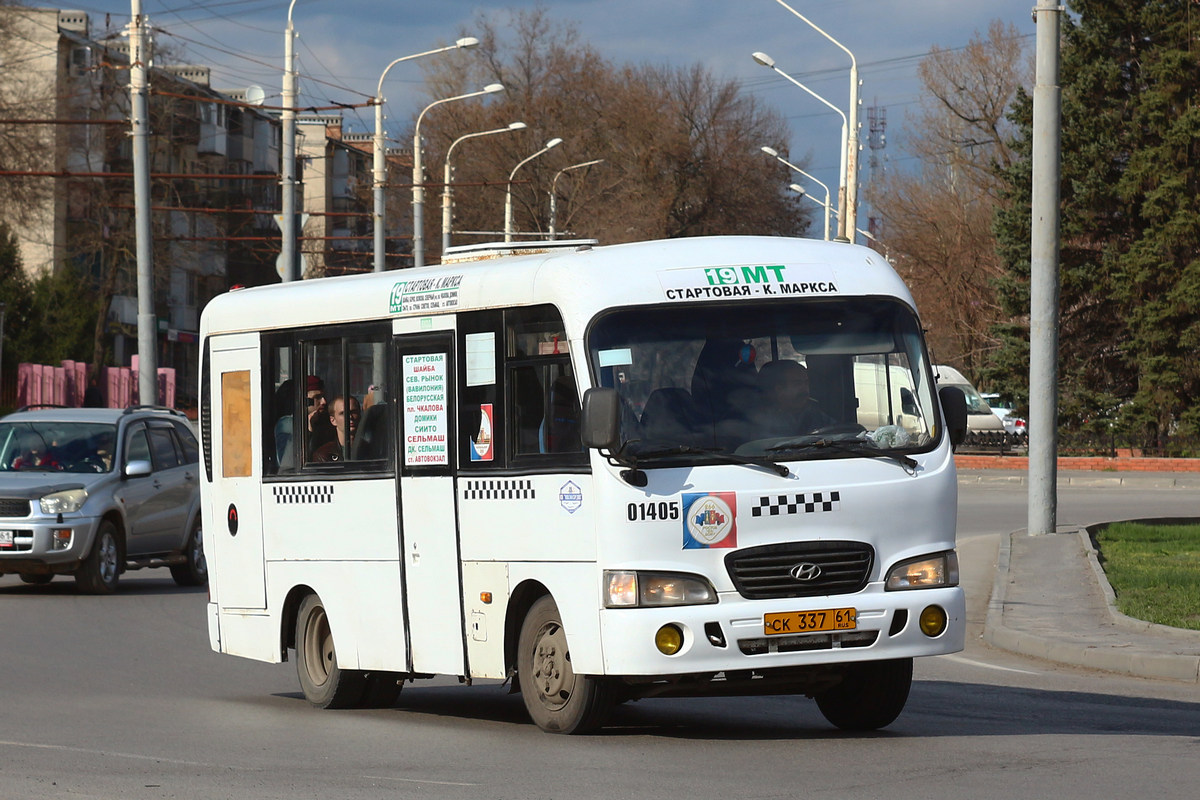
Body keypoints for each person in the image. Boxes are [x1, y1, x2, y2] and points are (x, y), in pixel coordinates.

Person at [757, 359, 834, 437]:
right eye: (797, 384)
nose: (804, 389)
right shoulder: (761, 421)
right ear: (780, 389)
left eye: (806, 383)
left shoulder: (816, 415)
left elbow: (837, 431)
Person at [311, 395, 361, 462]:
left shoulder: (371, 449)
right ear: (333, 420)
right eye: (343, 413)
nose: (350, 417)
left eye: (354, 412)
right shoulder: (323, 455)